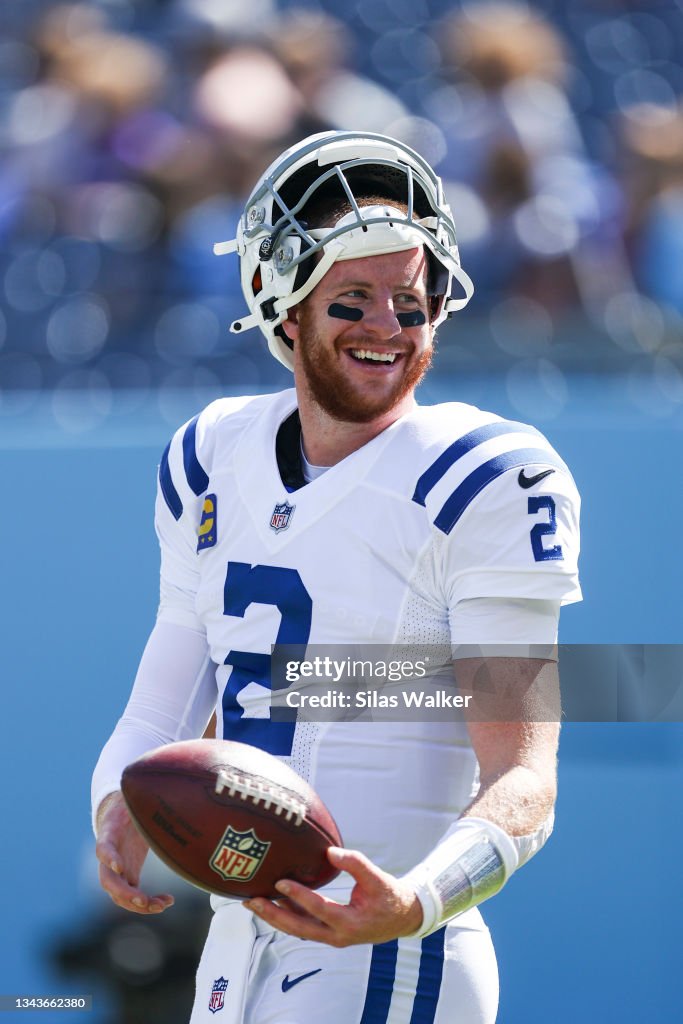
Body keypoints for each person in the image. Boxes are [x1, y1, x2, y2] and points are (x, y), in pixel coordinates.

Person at [92, 131, 581, 1024]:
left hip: (391, 954)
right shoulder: (210, 455)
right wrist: (116, 797)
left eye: (412, 301)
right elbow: (163, 699)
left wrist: (413, 901)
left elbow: (526, 775)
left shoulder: (482, 473)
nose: (387, 328)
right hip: (234, 945)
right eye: (352, 300)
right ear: (282, 306)